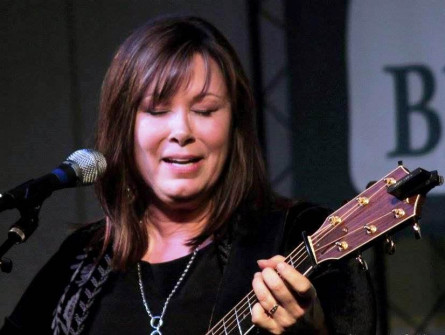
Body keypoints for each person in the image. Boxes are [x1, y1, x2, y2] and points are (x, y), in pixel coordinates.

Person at [1, 16, 375, 334]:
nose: (181, 131)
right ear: (124, 127)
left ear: (235, 124)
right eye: (157, 110)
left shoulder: (297, 237)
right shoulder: (83, 260)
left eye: (206, 110)